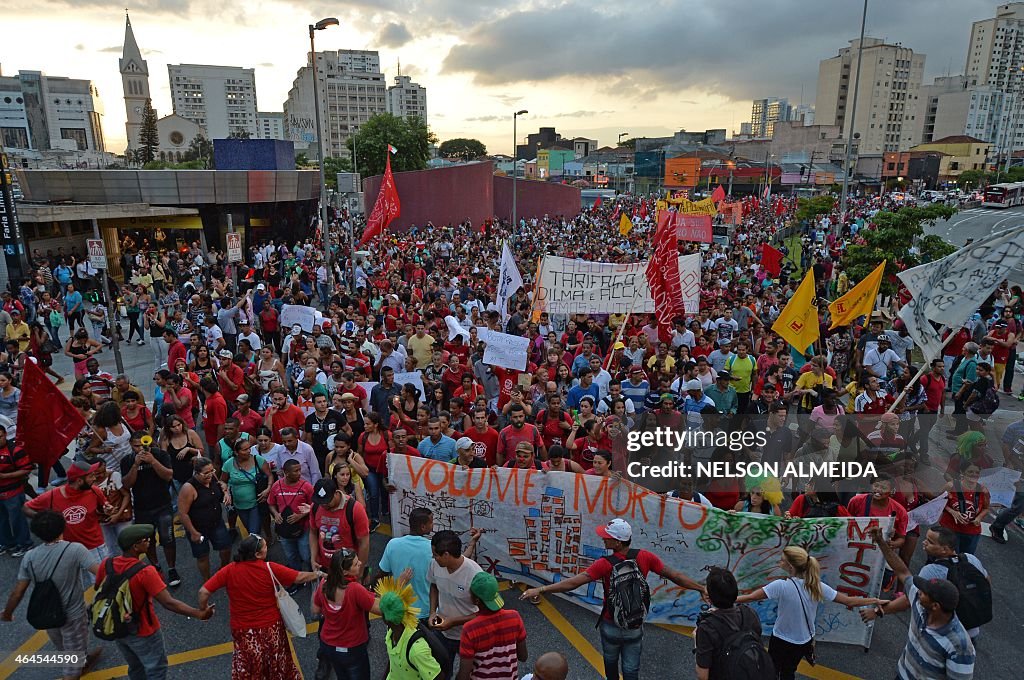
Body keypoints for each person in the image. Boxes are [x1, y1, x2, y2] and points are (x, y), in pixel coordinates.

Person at [521, 519, 705, 680]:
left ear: (617, 542)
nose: (603, 538)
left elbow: (573, 583)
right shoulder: (645, 556)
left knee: (610, 661)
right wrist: (701, 588)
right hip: (635, 623)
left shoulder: (604, 564)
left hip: (610, 623)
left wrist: (541, 589)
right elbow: (674, 575)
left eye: (607, 536)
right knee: (631, 667)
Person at [736, 546, 882, 680]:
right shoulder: (816, 586)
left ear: (790, 567)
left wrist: (725, 598)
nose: (779, 562)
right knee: (789, 671)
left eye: (782, 561)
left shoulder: (780, 586)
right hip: (803, 640)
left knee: (772, 669)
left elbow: (750, 597)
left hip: (781, 638)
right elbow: (849, 601)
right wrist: (874, 600)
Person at [98, 523, 214, 680]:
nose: (150, 541)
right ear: (135, 546)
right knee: (156, 669)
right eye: (145, 540)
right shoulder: (145, 572)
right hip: (144, 630)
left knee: (136, 667)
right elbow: (169, 603)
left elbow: (100, 588)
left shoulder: (107, 564)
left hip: (118, 626)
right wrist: (199, 614)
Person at [198, 534, 321, 680]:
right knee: (277, 663)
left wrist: (205, 610)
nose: (267, 548)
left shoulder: (229, 570)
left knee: (251, 665)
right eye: (265, 547)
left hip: (243, 629)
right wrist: (318, 574)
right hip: (271, 628)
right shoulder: (269, 568)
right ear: (257, 554)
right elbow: (299, 577)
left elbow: (203, 592)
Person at [1, 510, 103, 680]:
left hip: (47, 613)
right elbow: (100, 574)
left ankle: (81, 660)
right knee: (72, 663)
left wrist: (7, 613)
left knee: (63, 646)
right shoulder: (75, 549)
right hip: (73, 615)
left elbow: (18, 592)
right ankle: (76, 668)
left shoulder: (30, 557)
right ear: (62, 528)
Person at [869, 528, 976, 680]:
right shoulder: (920, 606)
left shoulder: (960, 646)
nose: (918, 592)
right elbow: (902, 572)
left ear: (935, 606)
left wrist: (877, 612)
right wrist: (881, 542)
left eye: (924, 592)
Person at [861, 524, 990, 642]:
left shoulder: (932, 571)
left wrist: (877, 612)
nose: (924, 542)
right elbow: (986, 581)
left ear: (944, 549)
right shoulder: (971, 559)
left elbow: (908, 596)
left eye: (930, 542)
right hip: (971, 632)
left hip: (941, 636)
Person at [24, 461, 110, 572]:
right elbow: (26, 508)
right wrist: (45, 519)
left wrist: (107, 509)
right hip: (67, 550)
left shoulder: (95, 491)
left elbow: (104, 506)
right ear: (79, 481)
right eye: (91, 476)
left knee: (99, 579)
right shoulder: (52, 496)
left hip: (94, 546)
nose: (94, 478)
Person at [121, 432, 179, 587]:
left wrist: (153, 461)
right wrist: (135, 465)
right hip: (142, 508)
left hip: (162, 505)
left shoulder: (160, 455)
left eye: (143, 444)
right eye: (136, 445)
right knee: (147, 540)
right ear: (131, 445)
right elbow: (127, 484)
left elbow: (168, 476)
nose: (140, 448)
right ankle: (155, 565)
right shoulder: (127, 461)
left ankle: (172, 568)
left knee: (168, 538)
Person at [693, 566, 767, 680]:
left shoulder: (707, 628)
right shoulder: (749, 613)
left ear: (709, 599)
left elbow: (702, 675)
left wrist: (696, 642)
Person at [425, 529, 482, 676]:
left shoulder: (475, 574)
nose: (433, 557)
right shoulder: (435, 565)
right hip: (442, 634)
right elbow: (434, 586)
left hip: (467, 636)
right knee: (441, 672)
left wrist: (453, 621)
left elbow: (483, 613)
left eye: (436, 555)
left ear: (446, 555)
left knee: (468, 674)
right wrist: (432, 612)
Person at [457, 572, 527, 680]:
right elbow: (523, 656)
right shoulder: (514, 617)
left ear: (476, 600)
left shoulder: (470, 629)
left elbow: (464, 675)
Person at [177, 457, 233, 581]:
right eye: (206, 473)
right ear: (196, 473)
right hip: (198, 527)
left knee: (226, 547)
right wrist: (193, 532)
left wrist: (226, 492)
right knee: (202, 555)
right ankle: (207, 580)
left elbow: (220, 486)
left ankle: (223, 570)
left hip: (216, 523)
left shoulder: (213, 477)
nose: (210, 475)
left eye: (212, 471)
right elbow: (183, 514)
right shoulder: (188, 488)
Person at [379, 575, 444, 680]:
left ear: (386, 620)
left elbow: (438, 677)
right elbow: (392, 660)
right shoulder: (390, 633)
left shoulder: (416, 650)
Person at [309, 477, 371, 576]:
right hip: (324, 567)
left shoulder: (355, 509)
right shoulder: (315, 507)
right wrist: (313, 558)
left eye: (327, 501)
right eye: (321, 502)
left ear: (336, 493)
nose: (324, 505)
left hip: (348, 569)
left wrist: (360, 572)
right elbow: (313, 532)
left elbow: (364, 543)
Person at [267, 458, 314, 578]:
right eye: (295, 471)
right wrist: (276, 514)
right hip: (284, 530)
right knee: (291, 556)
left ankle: (310, 576)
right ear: (286, 473)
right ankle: (296, 578)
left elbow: (314, 506)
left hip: (303, 528)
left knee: (306, 555)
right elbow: (271, 503)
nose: (299, 473)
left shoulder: (307, 487)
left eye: (299, 470)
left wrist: (301, 515)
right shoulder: (276, 486)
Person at [0, 423, 33, 557]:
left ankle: (25, 544)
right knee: (1, 519)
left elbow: (27, 469)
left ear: (5, 435)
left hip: (12, 492)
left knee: (17, 519)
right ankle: (7, 543)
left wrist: (5, 476)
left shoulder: (15, 450)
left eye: (0, 437)